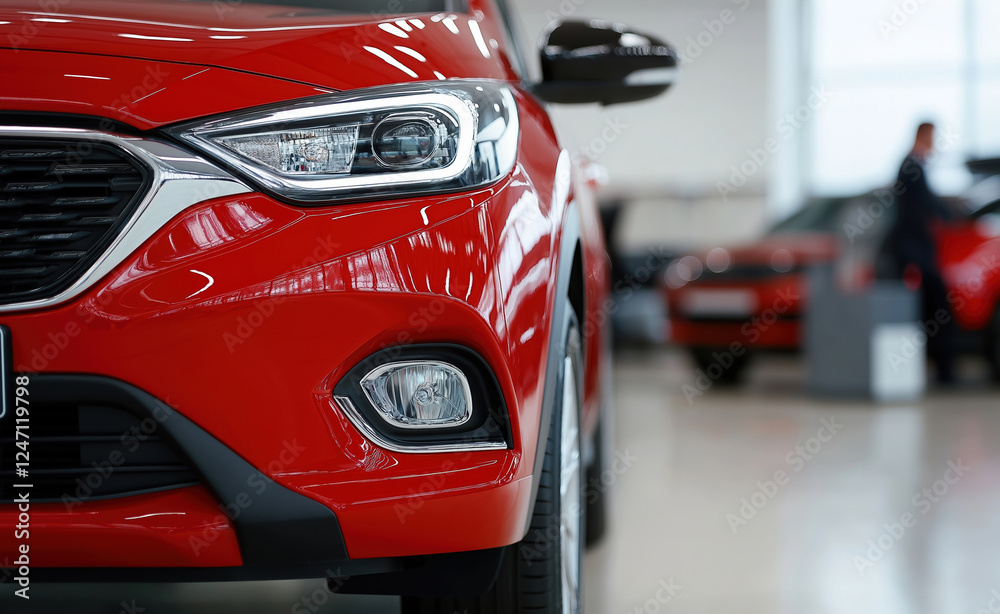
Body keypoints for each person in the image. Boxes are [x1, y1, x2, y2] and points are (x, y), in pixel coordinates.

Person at [883, 122, 957, 383]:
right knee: (937, 307)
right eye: (933, 138)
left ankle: (940, 370)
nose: (934, 144)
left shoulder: (911, 165)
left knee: (929, 310)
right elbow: (922, 203)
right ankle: (944, 372)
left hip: (915, 251)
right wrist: (951, 213)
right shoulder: (911, 166)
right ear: (923, 136)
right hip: (914, 252)